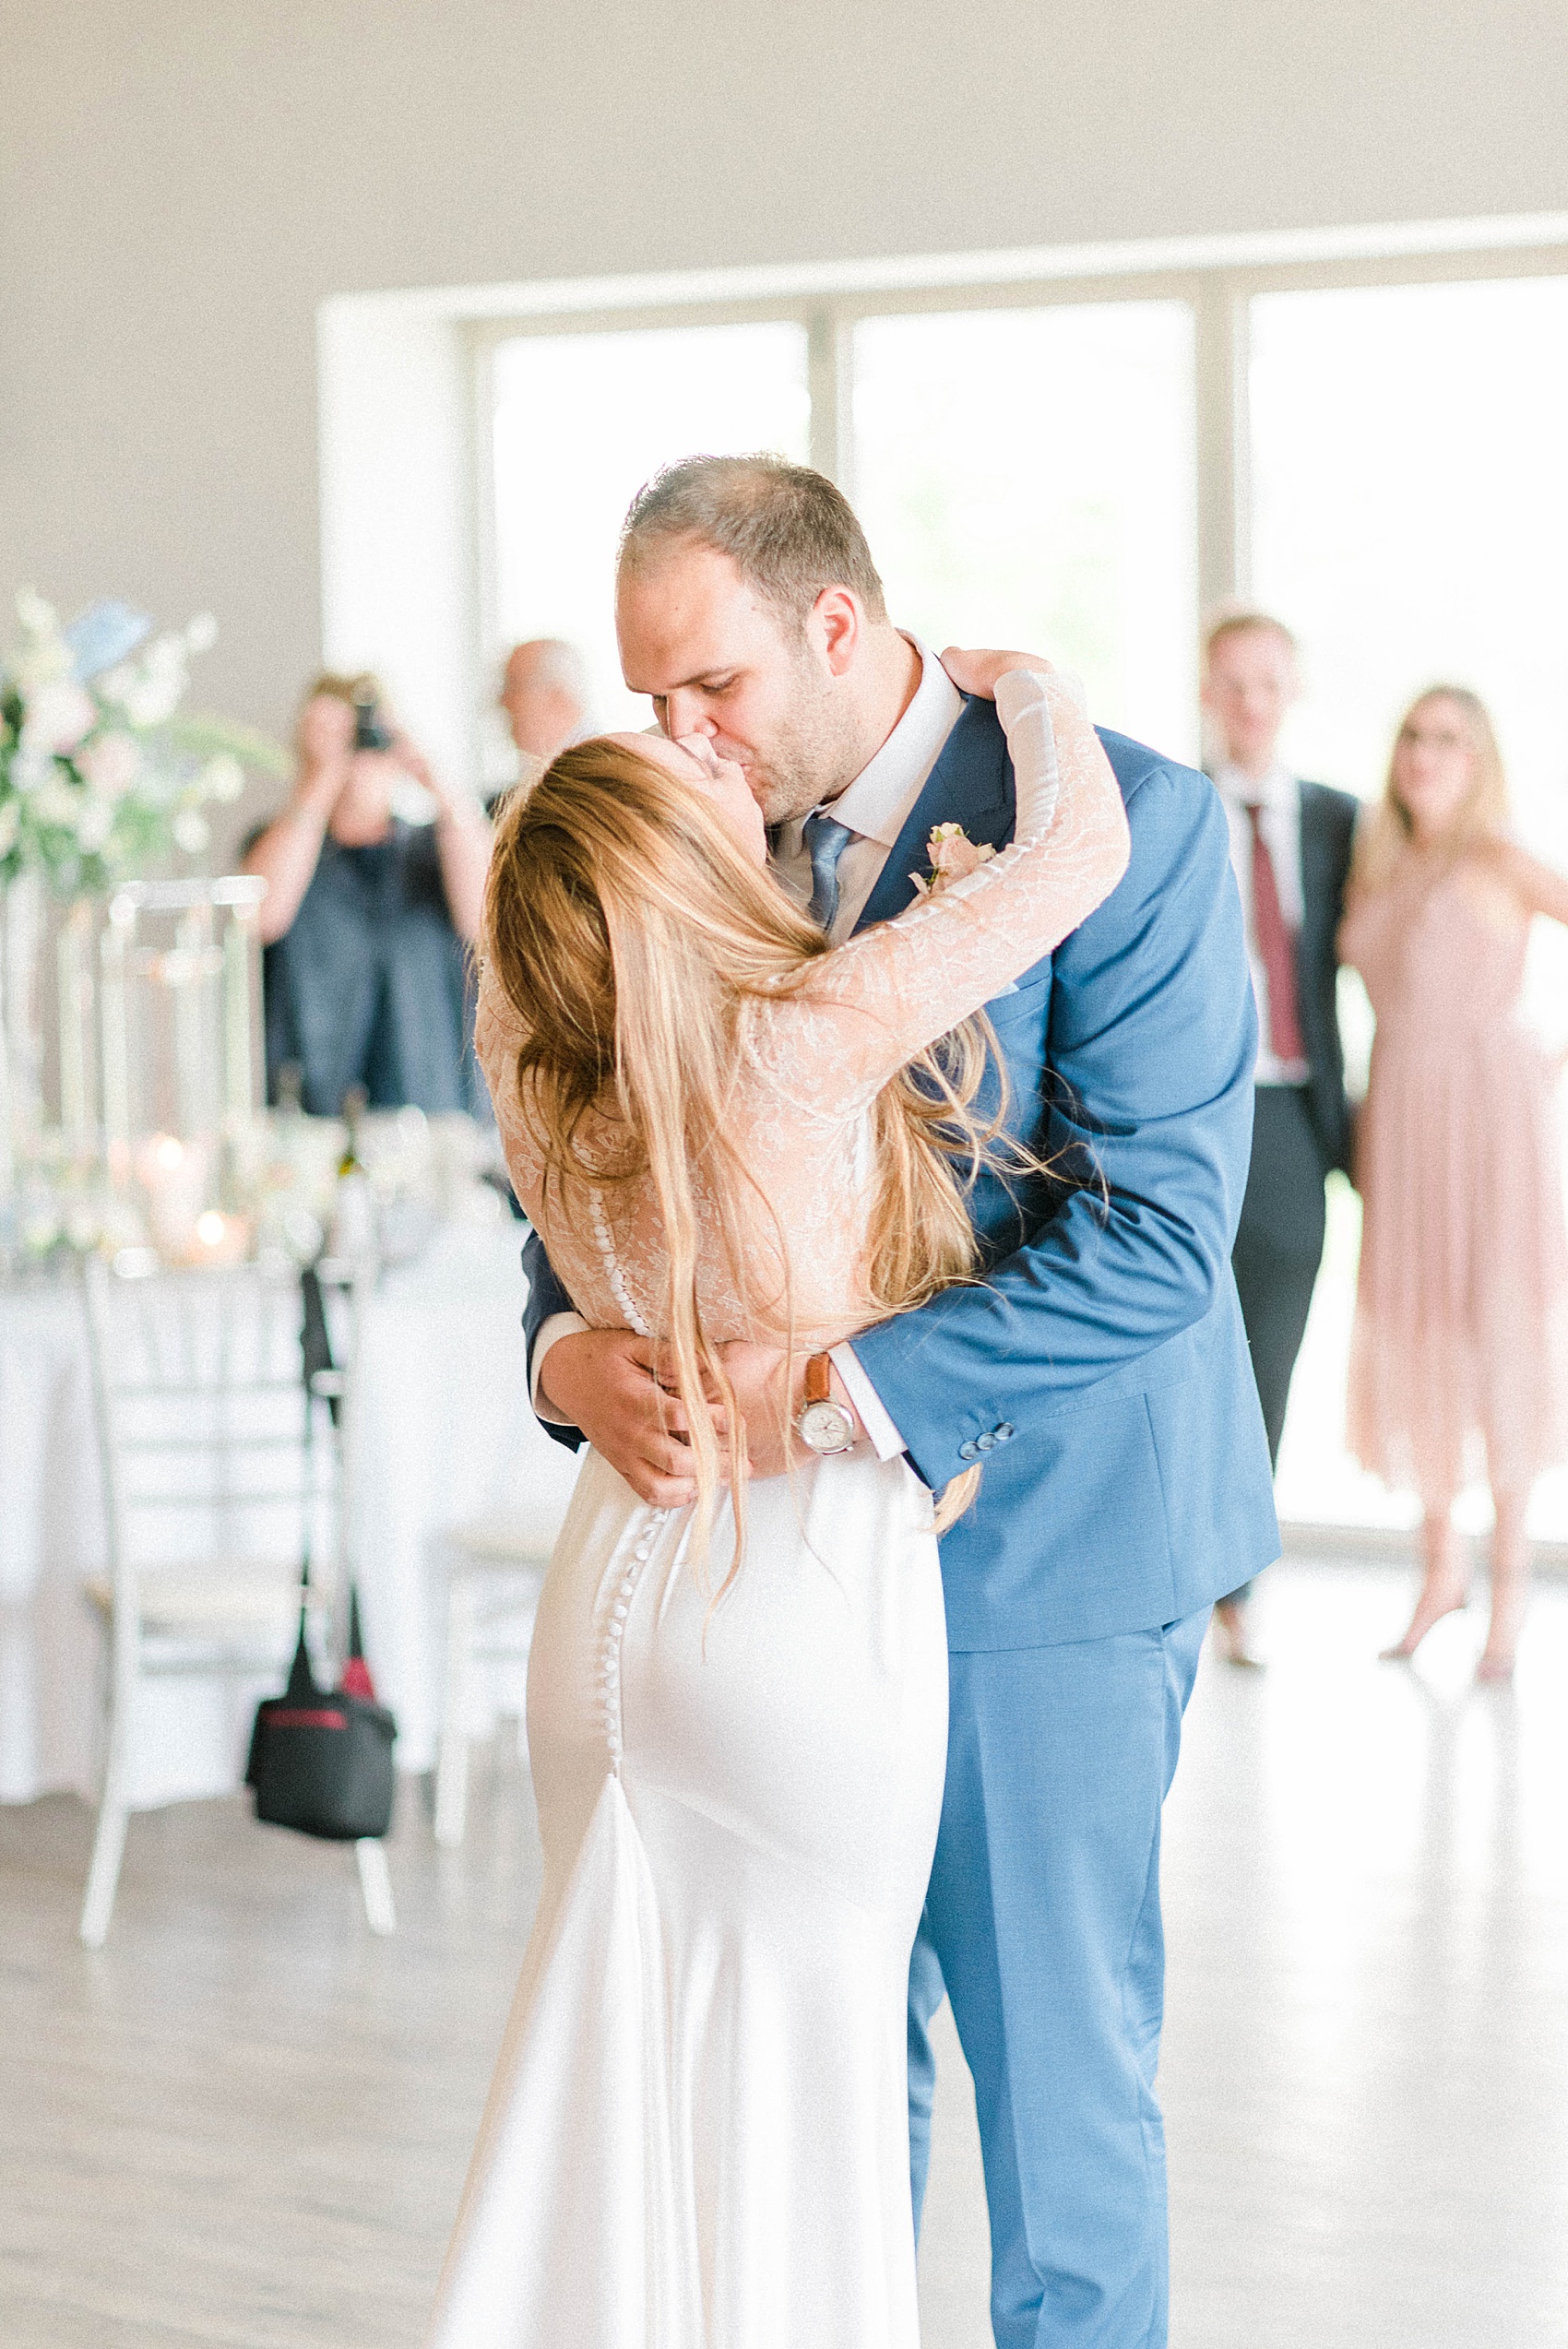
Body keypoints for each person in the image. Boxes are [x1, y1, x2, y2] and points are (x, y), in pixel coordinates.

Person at [505, 457, 1278, 2349]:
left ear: (832, 623)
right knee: (816, 2099)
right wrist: (566, 1350)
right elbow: (582, 1131)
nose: (680, 733)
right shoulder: (683, 836)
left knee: (1057, 2110)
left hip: (1046, 1564)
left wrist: (838, 1390)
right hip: (764, 1603)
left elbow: (1162, 1239)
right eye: (650, 697)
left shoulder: (1131, 826)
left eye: (713, 687)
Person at [430, 641, 1129, 2348]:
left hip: (608, 1608)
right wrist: (1026, 689)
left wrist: (555, 1362)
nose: (714, 755)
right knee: (800, 2114)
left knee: (614, 2090)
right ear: (671, 870)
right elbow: (1077, 857)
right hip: (787, 1599)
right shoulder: (796, 1038)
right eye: (686, 777)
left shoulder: (539, 1069)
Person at [1340, 686, 1568, 1683]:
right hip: (1397, 1119)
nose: (1425, 754)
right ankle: (1441, 1573)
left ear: (1479, 759)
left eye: (1448, 740)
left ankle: (1508, 1594)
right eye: (1413, 737)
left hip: (1486, 1121)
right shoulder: (1381, 859)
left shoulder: (1495, 859)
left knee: (1491, 1332)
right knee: (1419, 1327)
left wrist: (1537, 1060)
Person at [1202, 612, 1359, 1667]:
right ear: (1207, 691)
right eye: (1232, 684)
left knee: (1270, 1353)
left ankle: (1238, 1588)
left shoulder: (1342, 823)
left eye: (1269, 683)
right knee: (1178, 1340)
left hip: (1295, 1114)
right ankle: (1179, 1564)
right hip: (1192, 1111)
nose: (1251, 703)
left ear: (1291, 691)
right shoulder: (1165, 806)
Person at [243, 673, 493, 1117]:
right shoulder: (282, 841)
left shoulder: (436, 846)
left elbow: (489, 920)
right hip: (308, 1107)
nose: (357, 751)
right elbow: (260, 918)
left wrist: (435, 780)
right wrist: (320, 778)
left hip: (432, 1106)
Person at [497, 636, 590, 765]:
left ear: (558, 698)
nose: (502, 701)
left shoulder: (596, 772)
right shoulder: (545, 773)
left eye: (514, 686)